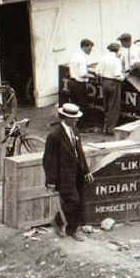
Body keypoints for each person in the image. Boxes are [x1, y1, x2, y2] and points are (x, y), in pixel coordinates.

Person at [43, 103, 93, 241]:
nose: (77, 120)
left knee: (78, 201)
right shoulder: (54, 136)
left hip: (77, 174)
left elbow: (80, 152)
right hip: (63, 177)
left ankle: (60, 223)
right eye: (74, 118)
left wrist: (86, 171)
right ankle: (70, 229)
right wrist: (51, 182)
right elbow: (49, 160)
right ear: (65, 118)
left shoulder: (75, 131)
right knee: (74, 202)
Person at [94, 42, 123, 134]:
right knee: (113, 107)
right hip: (114, 83)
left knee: (106, 105)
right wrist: (124, 76)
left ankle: (105, 127)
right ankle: (111, 129)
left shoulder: (103, 58)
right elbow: (117, 75)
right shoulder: (116, 60)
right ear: (117, 50)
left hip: (104, 82)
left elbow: (97, 71)